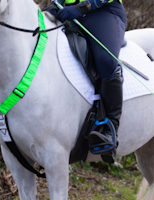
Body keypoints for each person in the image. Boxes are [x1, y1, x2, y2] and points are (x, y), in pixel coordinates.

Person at [48, 0, 127, 163]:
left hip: (102, 12)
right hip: (66, 11)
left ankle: (109, 129)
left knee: (106, 60)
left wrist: (83, 7)